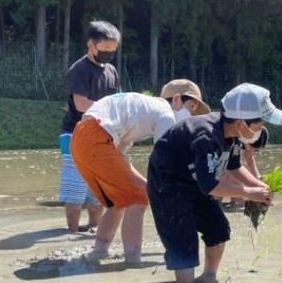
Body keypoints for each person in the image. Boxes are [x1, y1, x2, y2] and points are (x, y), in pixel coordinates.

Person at [147, 83, 282, 283]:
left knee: (218, 228)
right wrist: (250, 193)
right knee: (183, 240)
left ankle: (208, 278)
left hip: (195, 183)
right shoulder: (206, 135)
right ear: (241, 123)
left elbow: (234, 167)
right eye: (260, 124)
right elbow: (210, 186)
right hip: (168, 185)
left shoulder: (232, 137)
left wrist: (260, 187)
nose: (262, 129)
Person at [71, 79, 210, 263]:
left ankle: (99, 251)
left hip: (80, 139)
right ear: (176, 100)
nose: (191, 117)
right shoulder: (166, 114)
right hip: (96, 137)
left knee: (119, 199)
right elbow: (164, 159)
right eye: (191, 107)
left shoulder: (143, 107)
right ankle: (132, 259)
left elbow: (120, 150)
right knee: (140, 196)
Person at [58, 21, 120, 233]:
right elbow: (80, 104)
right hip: (75, 134)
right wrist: (109, 110)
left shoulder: (111, 70)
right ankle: (71, 233)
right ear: (91, 45)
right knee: (75, 188)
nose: (109, 53)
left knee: (99, 189)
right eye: (105, 49)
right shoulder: (80, 69)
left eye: (113, 50)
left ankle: (94, 229)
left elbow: (117, 102)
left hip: (101, 136)